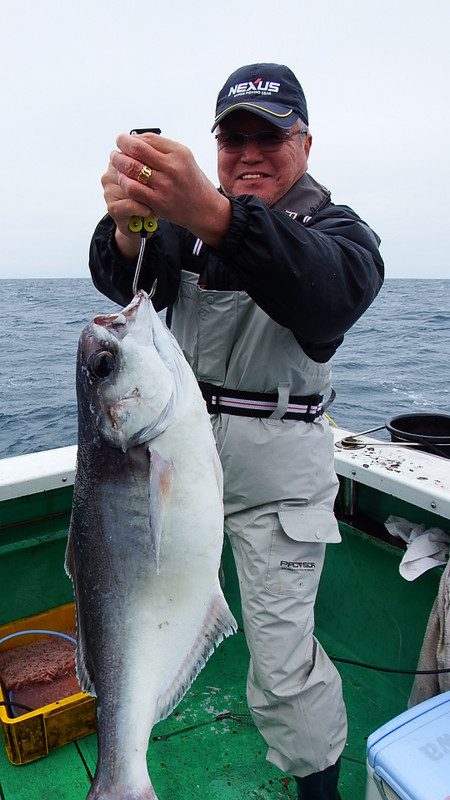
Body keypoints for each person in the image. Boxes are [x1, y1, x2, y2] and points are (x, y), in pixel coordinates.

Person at [89, 63, 384, 800]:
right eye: (233, 138)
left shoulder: (338, 234)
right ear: (215, 145)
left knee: (283, 671)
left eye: (270, 137)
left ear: (305, 145)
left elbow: (328, 293)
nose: (249, 153)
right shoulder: (182, 234)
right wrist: (129, 233)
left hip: (273, 482)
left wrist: (213, 214)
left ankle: (320, 794)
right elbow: (119, 286)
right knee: (126, 616)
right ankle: (127, 766)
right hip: (178, 475)